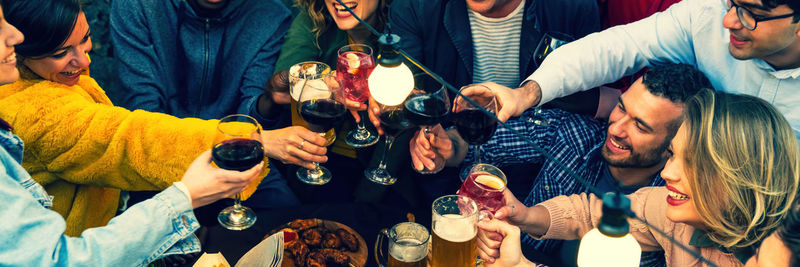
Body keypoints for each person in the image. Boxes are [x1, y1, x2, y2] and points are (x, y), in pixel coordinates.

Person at [0, 0, 328, 236]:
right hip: (156, 163)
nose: (85, 61)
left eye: (85, 40)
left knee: (296, 225)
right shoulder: (35, 110)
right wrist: (257, 141)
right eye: (61, 53)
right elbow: (130, 136)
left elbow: (251, 111)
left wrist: (268, 102)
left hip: (231, 152)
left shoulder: (270, 15)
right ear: (17, 47)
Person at [411, 63, 709, 265]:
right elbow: (477, 145)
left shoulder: (678, 209)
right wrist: (447, 146)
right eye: (621, 108)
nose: (616, 128)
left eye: (641, 126)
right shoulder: (573, 133)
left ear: (676, 142)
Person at [478, 89, 800, 266]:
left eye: (695, 166)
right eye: (674, 155)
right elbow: (592, 213)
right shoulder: (670, 209)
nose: (668, 173)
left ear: (741, 179)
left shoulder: (777, 254)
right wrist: (524, 214)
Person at [482, 0, 800, 142]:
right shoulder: (705, 14)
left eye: (750, 14)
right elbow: (619, 46)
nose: (730, 20)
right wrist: (526, 93)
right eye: (732, 3)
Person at [109, 0, 301, 209]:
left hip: (238, 156)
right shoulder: (138, 6)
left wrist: (268, 102)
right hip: (158, 155)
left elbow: (249, 118)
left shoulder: (270, 15)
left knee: (290, 221)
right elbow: (144, 112)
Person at [266, 0, 418, 205]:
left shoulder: (401, 25)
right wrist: (328, 81)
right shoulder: (315, 17)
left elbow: (405, 120)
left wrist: (366, 199)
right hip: (320, 158)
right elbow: (280, 90)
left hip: (384, 168)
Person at [386, 0, 603, 118]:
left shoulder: (575, 7)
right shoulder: (413, 6)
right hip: (448, 161)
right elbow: (408, 96)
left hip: (540, 164)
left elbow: (589, 101)